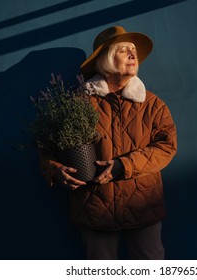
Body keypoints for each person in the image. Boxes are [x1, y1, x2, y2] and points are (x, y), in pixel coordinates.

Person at [39, 26, 177, 259]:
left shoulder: (153, 105)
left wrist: (125, 165)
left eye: (134, 50)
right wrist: (55, 170)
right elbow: (47, 147)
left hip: (142, 205)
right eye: (124, 50)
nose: (133, 55)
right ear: (107, 59)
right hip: (94, 205)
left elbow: (166, 147)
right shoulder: (78, 103)